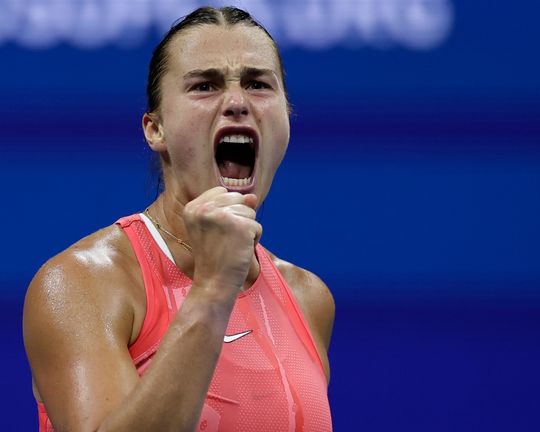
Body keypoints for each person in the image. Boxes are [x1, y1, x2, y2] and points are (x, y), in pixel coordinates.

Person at [23, 6, 335, 432]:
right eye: (205, 85)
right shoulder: (81, 284)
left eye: (258, 84)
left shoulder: (308, 298)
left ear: (287, 119)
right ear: (156, 129)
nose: (237, 102)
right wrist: (212, 288)